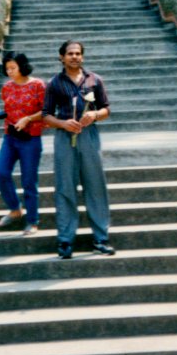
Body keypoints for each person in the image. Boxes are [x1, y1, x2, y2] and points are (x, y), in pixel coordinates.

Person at [43, 40, 114, 259]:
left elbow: (106, 109)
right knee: (65, 187)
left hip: (89, 135)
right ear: (62, 57)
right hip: (65, 137)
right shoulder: (54, 83)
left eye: (78, 53)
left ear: (82, 56)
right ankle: (65, 240)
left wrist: (94, 115)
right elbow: (45, 115)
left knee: (95, 185)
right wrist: (63, 123)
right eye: (70, 53)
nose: (74, 57)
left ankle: (101, 238)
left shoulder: (94, 80)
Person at [0, 52, 45, 236]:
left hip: (31, 138)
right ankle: (15, 208)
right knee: (0, 172)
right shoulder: (6, 87)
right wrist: (0, 114)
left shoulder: (37, 85)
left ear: (22, 66)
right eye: (7, 69)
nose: (10, 72)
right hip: (10, 137)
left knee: (29, 180)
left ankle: (32, 221)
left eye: (13, 68)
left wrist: (28, 119)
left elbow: (46, 111)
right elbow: (10, 111)